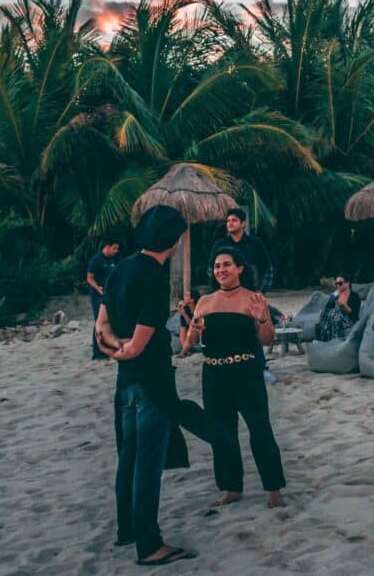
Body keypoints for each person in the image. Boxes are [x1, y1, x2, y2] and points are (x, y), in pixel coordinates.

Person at [93, 205, 197, 567]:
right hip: (151, 383)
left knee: (129, 459)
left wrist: (111, 349)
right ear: (173, 239)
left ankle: (128, 531)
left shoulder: (120, 269)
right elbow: (139, 345)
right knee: (147, 466)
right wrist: (125, 352)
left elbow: (101, 327)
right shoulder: (154, 277)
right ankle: (150, 545)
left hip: (125, 385)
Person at [182, 248, 287, 509]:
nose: (221, 270)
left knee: (260, 430)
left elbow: (267, 339)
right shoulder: (205, 302)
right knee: (222, 433)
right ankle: (232, 488)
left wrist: (262, 316)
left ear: (240, 268)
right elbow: (191, 343)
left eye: (227, 265)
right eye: (217, 266)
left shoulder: (252, 299)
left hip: (246, 373)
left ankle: (273, 489)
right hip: (214, 374)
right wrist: (194, 328)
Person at [210, 207, 274, 292]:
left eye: (234, 220)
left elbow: (268, 270)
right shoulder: (220, 245)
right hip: (224, 294)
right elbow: (211, 269)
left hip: (249, 293)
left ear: (243, 224)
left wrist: (261, 292)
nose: (230, 223)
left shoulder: (255, 243)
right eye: (228, 221)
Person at [86, 238, 119, 360]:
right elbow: (89, 278)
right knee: (99, 323)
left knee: (109, 322)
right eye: (114, 248)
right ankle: (97, 352)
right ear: (108, 246)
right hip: (97, 297)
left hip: (109, 296)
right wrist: (97, 288)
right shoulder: (96, 260)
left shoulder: (111, 260)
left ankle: (107, 347)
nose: (116, 251)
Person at [315, 275, 361, 341]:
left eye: (340, 283)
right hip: (334, 318)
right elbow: (327, 308)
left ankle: (334, 341)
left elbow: (354, 314)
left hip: (349, 321)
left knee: (335, 317)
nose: (338, 285)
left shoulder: (354, 296)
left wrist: (344, 305)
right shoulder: (335, 295)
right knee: (322, 320)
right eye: (336, 283)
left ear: (347, 283)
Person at [176, 288, 202, 355]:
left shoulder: (199, 310)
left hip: (199, 336)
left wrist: (184, 314)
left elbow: (194, 327)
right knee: (182, 329)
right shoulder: (185, 309)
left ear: (192, 300)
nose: (184, 297)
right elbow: (183, 330)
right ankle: (186, 349)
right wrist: (184, 348)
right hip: (188, 339)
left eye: (186, 295)